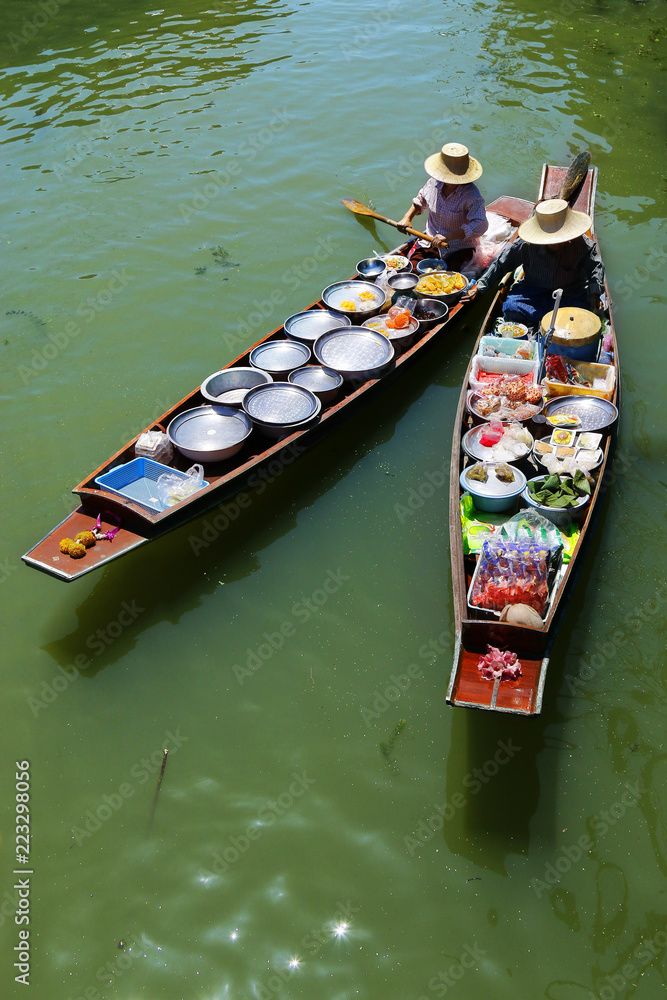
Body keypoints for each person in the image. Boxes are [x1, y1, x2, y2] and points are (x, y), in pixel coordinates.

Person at [473, 198, 605, 327]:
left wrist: (595, 293)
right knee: (511, 308)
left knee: (582, 316)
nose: (565, 240)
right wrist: (480, 286)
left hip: (570, 293)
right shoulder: (527, 245)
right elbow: (501, 263)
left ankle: (546, 322)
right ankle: (549, 322)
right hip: (534, 291)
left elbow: (595, 265)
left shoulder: (579, 243)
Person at [397, 142, 488, 270]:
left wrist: (449, 236)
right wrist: (407, 217)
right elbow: (421, 200)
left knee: (447, 278)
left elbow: (481, 224)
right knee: (412, 270)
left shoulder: (472, 194)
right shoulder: (433, 182)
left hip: (459, 248)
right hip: (430, 241)